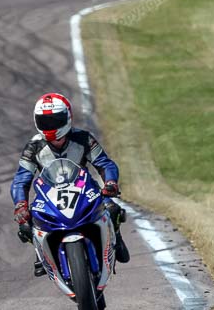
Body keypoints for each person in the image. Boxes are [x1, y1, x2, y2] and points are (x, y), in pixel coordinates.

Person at [10, 92, 129, 277]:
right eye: (45, 121)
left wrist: (111, 182)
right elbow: (21, 180)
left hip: (84, 189)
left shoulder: (84, 139)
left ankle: (117, 238)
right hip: (49, 196)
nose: (51, 127)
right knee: (26, 226)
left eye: (55, 120)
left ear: (67, 118)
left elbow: (105, 164)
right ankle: (42, 255)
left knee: (112, 209)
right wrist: (20, 205)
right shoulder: (33, 147)